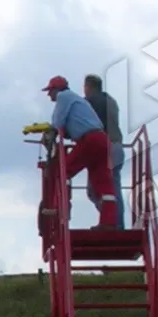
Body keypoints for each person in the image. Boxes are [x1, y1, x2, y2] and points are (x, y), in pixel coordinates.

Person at [44, 75, 118, 228]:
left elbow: (57, 122)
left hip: (89, 140)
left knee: (63, 172)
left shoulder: (63, 97)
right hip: (102, 140)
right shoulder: (77, 100)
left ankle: (60, 211)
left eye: (50, 91)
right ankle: (109, 222)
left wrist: (50, 134)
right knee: (103, 183)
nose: (48, 95)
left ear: (56, 89)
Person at [84, 73, 126, 221]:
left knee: (95, 190)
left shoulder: (90, 102)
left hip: (103, 149)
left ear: (88, 86)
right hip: (117, 147)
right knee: (114, 189)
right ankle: (117, 224)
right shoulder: (111, 101)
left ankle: (110, 220)